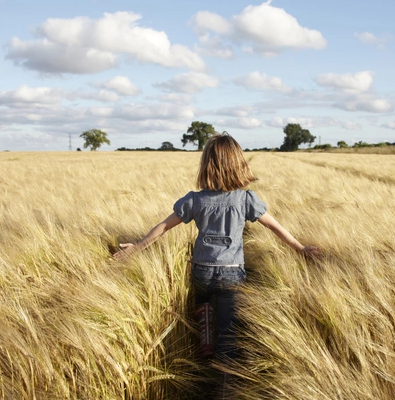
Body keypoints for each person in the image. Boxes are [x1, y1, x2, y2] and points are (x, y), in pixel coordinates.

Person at [113, 133, 319, 361]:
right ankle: (224, 357)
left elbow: (163, 226)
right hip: (231, 272)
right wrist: (299, 248)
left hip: (201, 269)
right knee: (228, 328)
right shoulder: (246, 199)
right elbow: (274, 226)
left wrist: (138, 247)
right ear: (238, 165)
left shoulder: (195, 200)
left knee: (203, 298)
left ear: (206, 166)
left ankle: (206, 332)